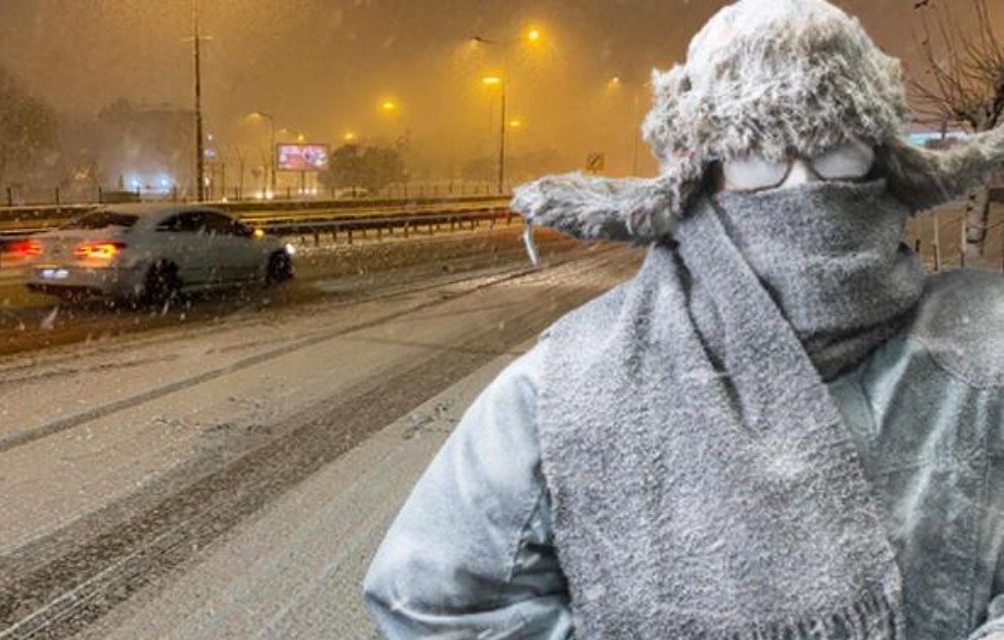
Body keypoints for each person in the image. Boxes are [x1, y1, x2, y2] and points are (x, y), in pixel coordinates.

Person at [362, 0, 1004, 638]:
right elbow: (433, 597)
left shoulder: (985, 347)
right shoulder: (574, 383)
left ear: (883, 163)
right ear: (704, 178)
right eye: (760, 158)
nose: (803, 189)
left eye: (836, 154)